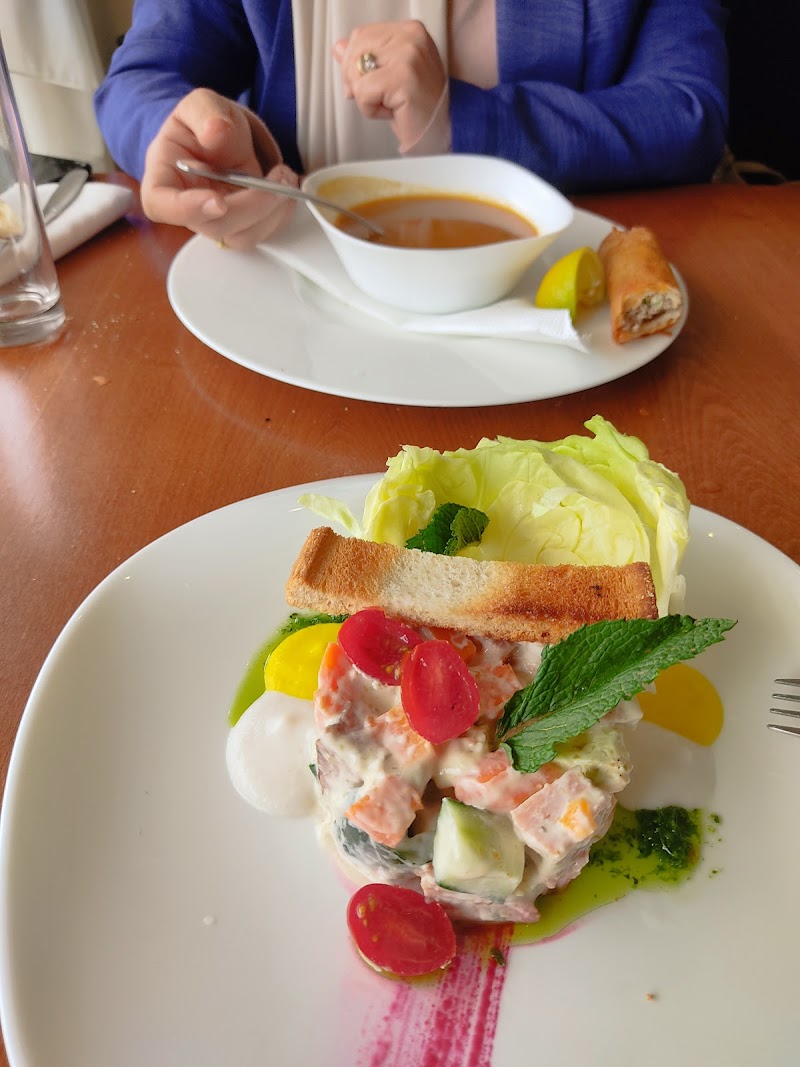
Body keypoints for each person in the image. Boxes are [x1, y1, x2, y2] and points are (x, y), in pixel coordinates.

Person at [94, 1, 729, 250]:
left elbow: (687, 110)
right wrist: (188, 138)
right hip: (294, 301)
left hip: (562, 301)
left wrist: (459, 120)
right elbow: (139, 82)